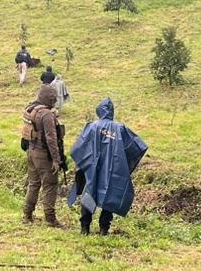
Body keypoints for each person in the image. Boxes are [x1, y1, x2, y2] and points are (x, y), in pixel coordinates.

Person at [69, 99, 148, 236]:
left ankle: (85, 228)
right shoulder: (120, 128)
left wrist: (84, 164)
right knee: (109, 195)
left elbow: (79, 147)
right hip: (113, 170)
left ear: (99, 111)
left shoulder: (92, 127)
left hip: (93, 169)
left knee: (89, 194)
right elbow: (137, 146)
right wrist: (124, 163)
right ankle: (104, 229)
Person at [21, 84, 63, 227]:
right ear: (48, 99)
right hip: (43, 154)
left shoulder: (30, 109)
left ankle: (27, 214)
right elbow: (51, 139)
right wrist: (56, 160)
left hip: (31, 151)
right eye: (53, 99)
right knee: (50, 184)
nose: (55, 101)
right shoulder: (46, 115)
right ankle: (50, 219)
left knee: (33, 183)